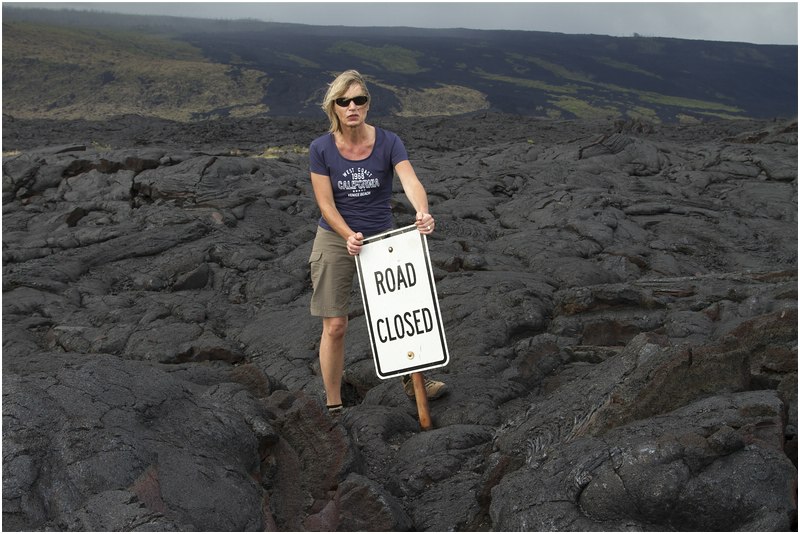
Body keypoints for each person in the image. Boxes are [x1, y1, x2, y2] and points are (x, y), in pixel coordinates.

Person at [308, 69, 447, 414]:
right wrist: (347, 235)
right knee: (335, 325)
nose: (352, 106)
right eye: (344, 101)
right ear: (334, 107)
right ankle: (334, 403)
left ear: (368, 104)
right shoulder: (321, 149)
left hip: (383, 237)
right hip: (336, 237)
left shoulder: (388, 141)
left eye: (359, 100)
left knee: (403, 311)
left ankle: (414, 380)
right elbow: (325, 202)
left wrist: (422, 212)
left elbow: (410, 180)